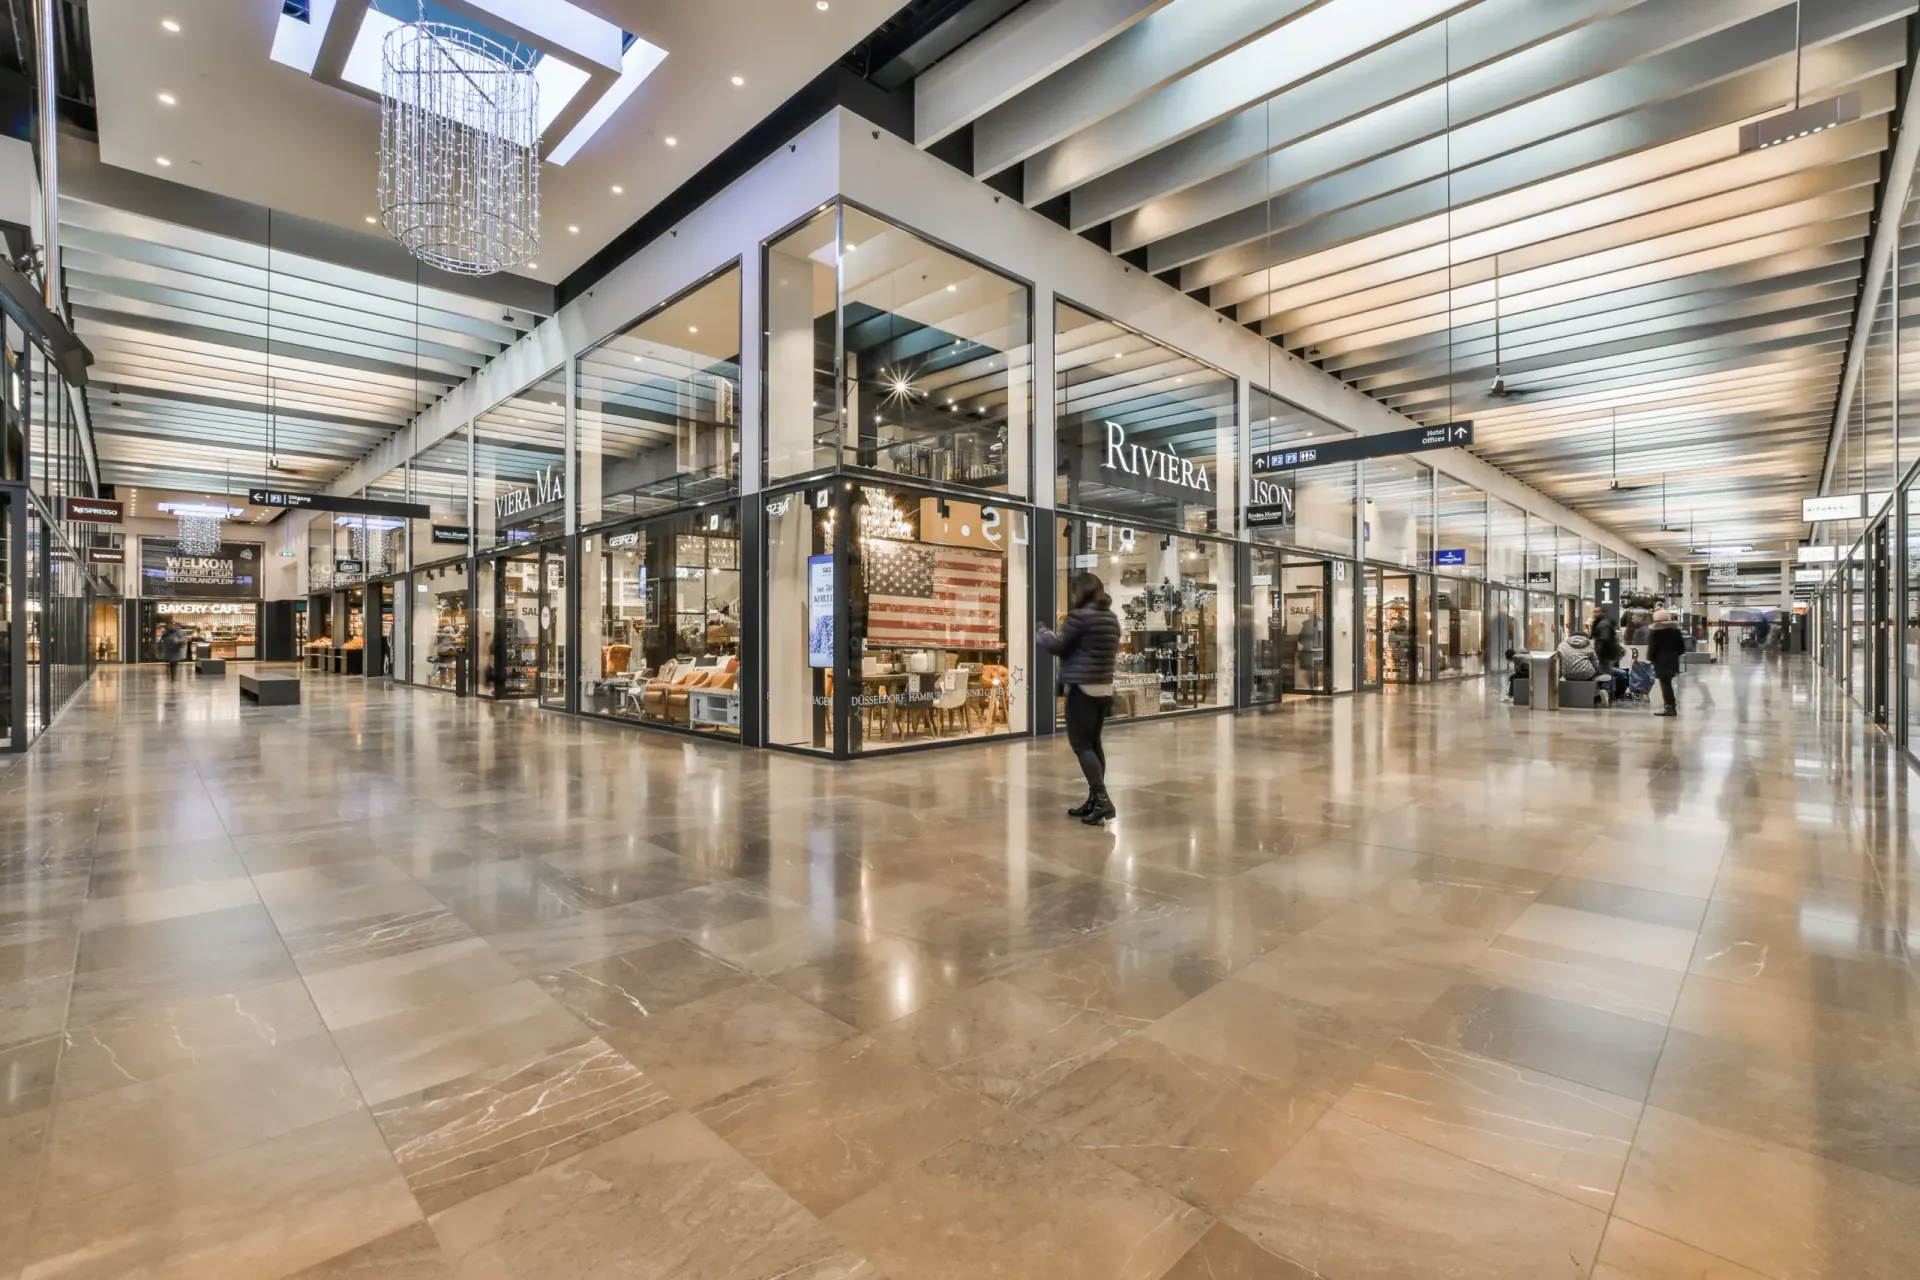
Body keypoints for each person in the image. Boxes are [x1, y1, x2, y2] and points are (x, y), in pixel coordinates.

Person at [1036, 572, 1121, 825]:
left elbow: (1059, 646)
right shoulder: (1111, 618)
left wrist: (1042, 633)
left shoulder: (1079, 617)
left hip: (1082, 688)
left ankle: (1102, 800)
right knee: (1094, 744)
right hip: (1104, 688)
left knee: (1081, 745)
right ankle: (1094, 800)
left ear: (1080, 592)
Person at [1648, 608, 1686, 717]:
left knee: (1665, 684)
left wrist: (1650, 658)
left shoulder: (1655, 631)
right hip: (1673, 660)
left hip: (1660, 661)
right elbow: (1681, 648)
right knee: (1667, 683)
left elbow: (1652, 648)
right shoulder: (1675, 630)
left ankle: (1670, 707)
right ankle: (1671, 706)